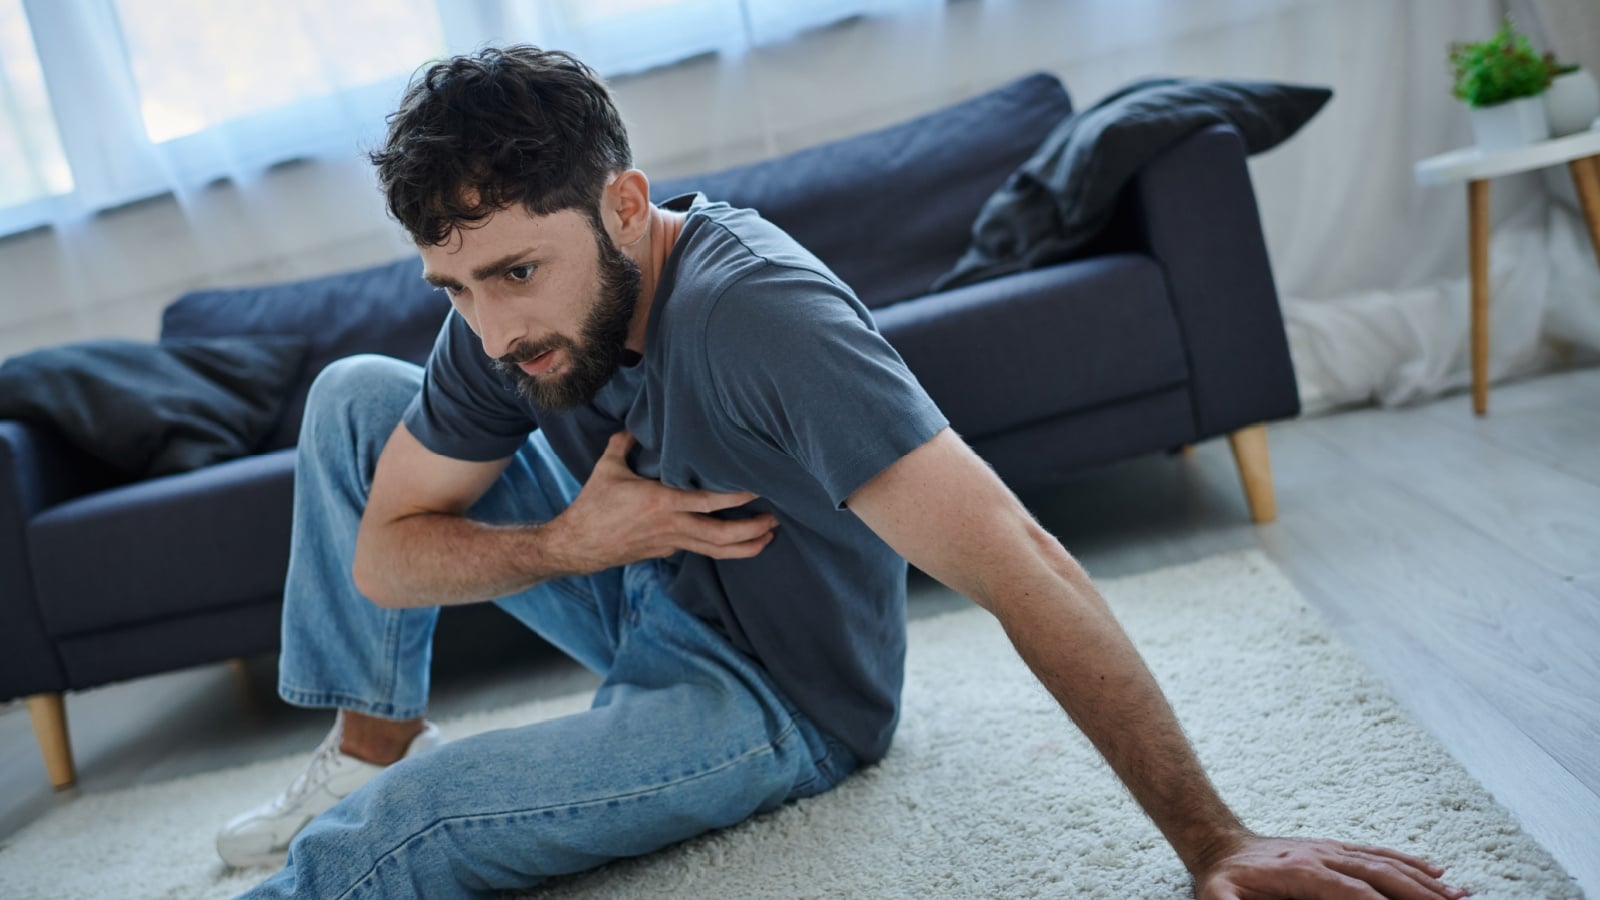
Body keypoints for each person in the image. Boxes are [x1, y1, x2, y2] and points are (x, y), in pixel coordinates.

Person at [217, 45, 1466, 900]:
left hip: (778, 696)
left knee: (418, 826)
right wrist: (572, 543)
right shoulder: (507, 320)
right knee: (355, 395)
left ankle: (365, 812)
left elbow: (1021, 564)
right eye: (453, 287)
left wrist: (1216, 839)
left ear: (624, 206)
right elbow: (384, 560)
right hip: (637, 579)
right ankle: (369, 745)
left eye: (513, 275)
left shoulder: (767, 322)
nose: (491, 330)